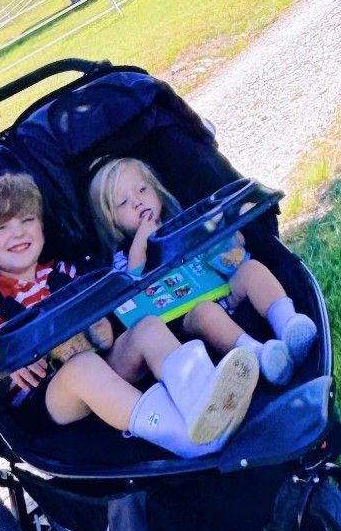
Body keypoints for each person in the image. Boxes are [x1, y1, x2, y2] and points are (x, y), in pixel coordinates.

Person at [0, 172, 258, 458]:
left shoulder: (66, 273)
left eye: (27, 220)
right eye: (1, 228)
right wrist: (10, 367)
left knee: (147, 327)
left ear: (41, 228)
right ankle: (184, 439)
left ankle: (205, 402)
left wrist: (103, 331)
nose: (18, 232)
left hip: (102, 369)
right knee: (83, 365)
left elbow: (103, 326)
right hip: (47, 399)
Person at [87, 156, 317, 386]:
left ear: (156, 190)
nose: (137, 202)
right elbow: (130, 288)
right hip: (183, 316)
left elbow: (217, 251)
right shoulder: (123, 254)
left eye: (142, 189)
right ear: (111, 221)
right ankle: (258, 356)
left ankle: (288, 324)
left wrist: (230, 245)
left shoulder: (181, 222)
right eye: (123, 203)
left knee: (252, 270)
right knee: (207, 313)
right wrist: (140, 245)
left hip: (219, 288)